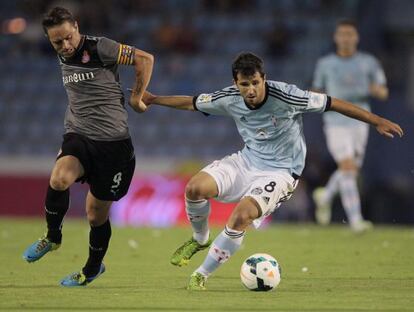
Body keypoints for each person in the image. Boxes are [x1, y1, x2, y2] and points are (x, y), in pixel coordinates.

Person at [141, 52, 402, 290]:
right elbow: (191, 103)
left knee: (240, 217)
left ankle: (201, 274)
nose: (251, 90)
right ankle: (200, 238)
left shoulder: (288, 96)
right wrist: (153, 99)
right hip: (246, 161)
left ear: (263, 78)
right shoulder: (229, 98)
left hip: (281, 172)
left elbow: (333, 103)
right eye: (245, 85)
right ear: (236, 84)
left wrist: (377, 120)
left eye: (255, 82)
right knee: (194, 188)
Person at [22, 7, 153, 287]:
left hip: (114, 145)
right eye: (57, 42)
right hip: (79, 134)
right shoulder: (61, 52)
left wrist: (136, 97)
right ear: (50, 41)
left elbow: (145, 58)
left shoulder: (99, 47)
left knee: (95, 215)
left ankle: (93, 268)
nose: (65, 46)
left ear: (77, 27)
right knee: (59, 178)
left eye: (69, 37)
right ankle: (53, 237)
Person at [311, 19, 389, 232]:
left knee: (351, 170)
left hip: (361, 121)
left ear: (356, 37)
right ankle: (356, 220)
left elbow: (383, 91)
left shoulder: (368, 62)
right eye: (342, 34)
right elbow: (316, 90)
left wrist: (372, 88)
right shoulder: (325, 63)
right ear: (336, 37)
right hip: (335, 121)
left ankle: (325, 196)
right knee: (347, 166)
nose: (346, 38)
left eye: (350, 34)